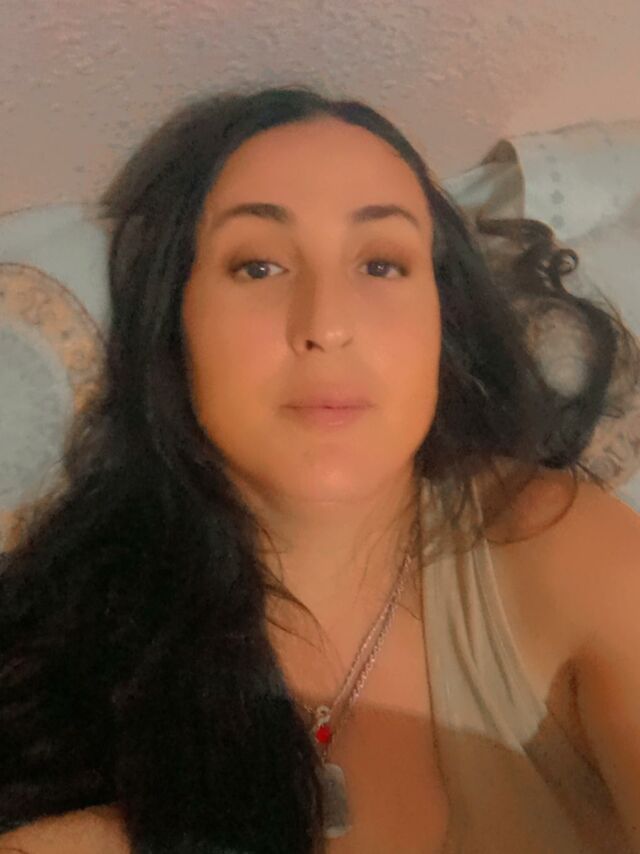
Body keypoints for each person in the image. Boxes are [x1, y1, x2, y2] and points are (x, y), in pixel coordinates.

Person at [1, 83, 640, 854]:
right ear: (174, 326)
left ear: (442, 321)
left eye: (382, 264)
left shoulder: (562, 551)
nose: (327, 325)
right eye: (258, 267)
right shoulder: (58, 648)